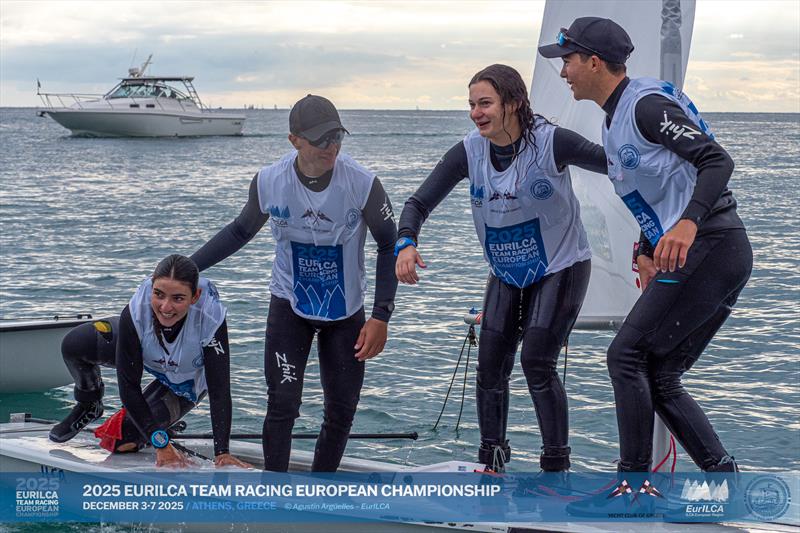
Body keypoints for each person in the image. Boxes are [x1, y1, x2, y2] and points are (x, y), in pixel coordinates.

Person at [539, 17, 752, 473]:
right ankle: (722, 476)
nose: (563, 72)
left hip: (713, 244)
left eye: (568, 60)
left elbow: (717, 161)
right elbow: (654, 192)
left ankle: (632, 485)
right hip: (708, 250)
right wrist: (644, 248)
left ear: (594, 62)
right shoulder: (615, 118)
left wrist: (689, 223)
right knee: (658, 372)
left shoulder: (646, 107)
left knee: (625, 355)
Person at [396, 64, 607, 472]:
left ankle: (555, 467)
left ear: (513, 103)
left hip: (561, 265)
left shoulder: (551, 142)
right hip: (507, 270)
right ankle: (492, 461)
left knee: (537, 362)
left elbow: (614, 164)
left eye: (485, 103)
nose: (476, 113)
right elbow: (418, 203)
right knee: (490, 365)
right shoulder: (469, 151)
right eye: (471, 104)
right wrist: (406, 241)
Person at [189, 94, 398, 472]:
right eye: (321, 139)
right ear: (295, 140)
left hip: (345, 312)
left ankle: (322, 490)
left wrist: (381, 315)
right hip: (290, 306)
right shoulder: (271, 181)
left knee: (341, 410)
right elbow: (240, 231)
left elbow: (388, 243)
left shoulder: (362, 183)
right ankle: (275, 489)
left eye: (337, 137)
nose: (331, 147)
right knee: (282, 404)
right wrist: (188, 268)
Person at [50, 254, 250, 468]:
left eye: (178, 299)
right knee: (75, 345)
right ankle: (90, 404)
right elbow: (129, 386)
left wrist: (222, 452)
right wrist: (160, 443)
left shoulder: (210, 318)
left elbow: (219, 390)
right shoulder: (137, 310)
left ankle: (165, 424)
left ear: (195, 296)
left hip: (183, 381)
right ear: (152, 288)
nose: (165, 307)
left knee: (119, 442)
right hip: (146, 355)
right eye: (159, 294)